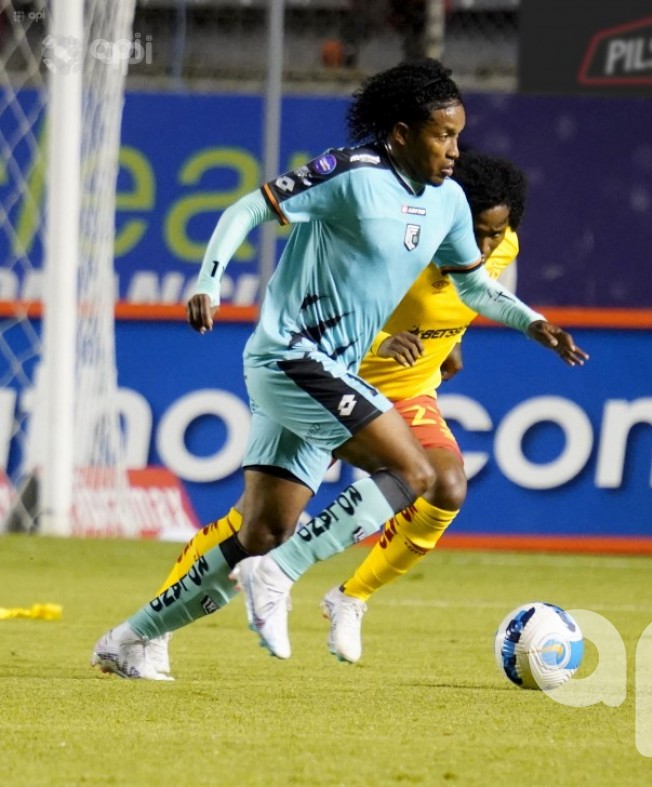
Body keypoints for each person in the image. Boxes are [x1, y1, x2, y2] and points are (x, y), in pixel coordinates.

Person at [91, 59, 587, 680]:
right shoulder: (349, 174)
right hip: (291, 353)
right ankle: (284, 572)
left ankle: (132, 638)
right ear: (401, 132)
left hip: (328, 370)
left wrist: (533, 323)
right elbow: (250, 207)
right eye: (442, 135)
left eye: (459, 135)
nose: (455, 150)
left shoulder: (451, 203)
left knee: (263, 526)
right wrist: (208, 282)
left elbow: (477, 289)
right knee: (414, 469)